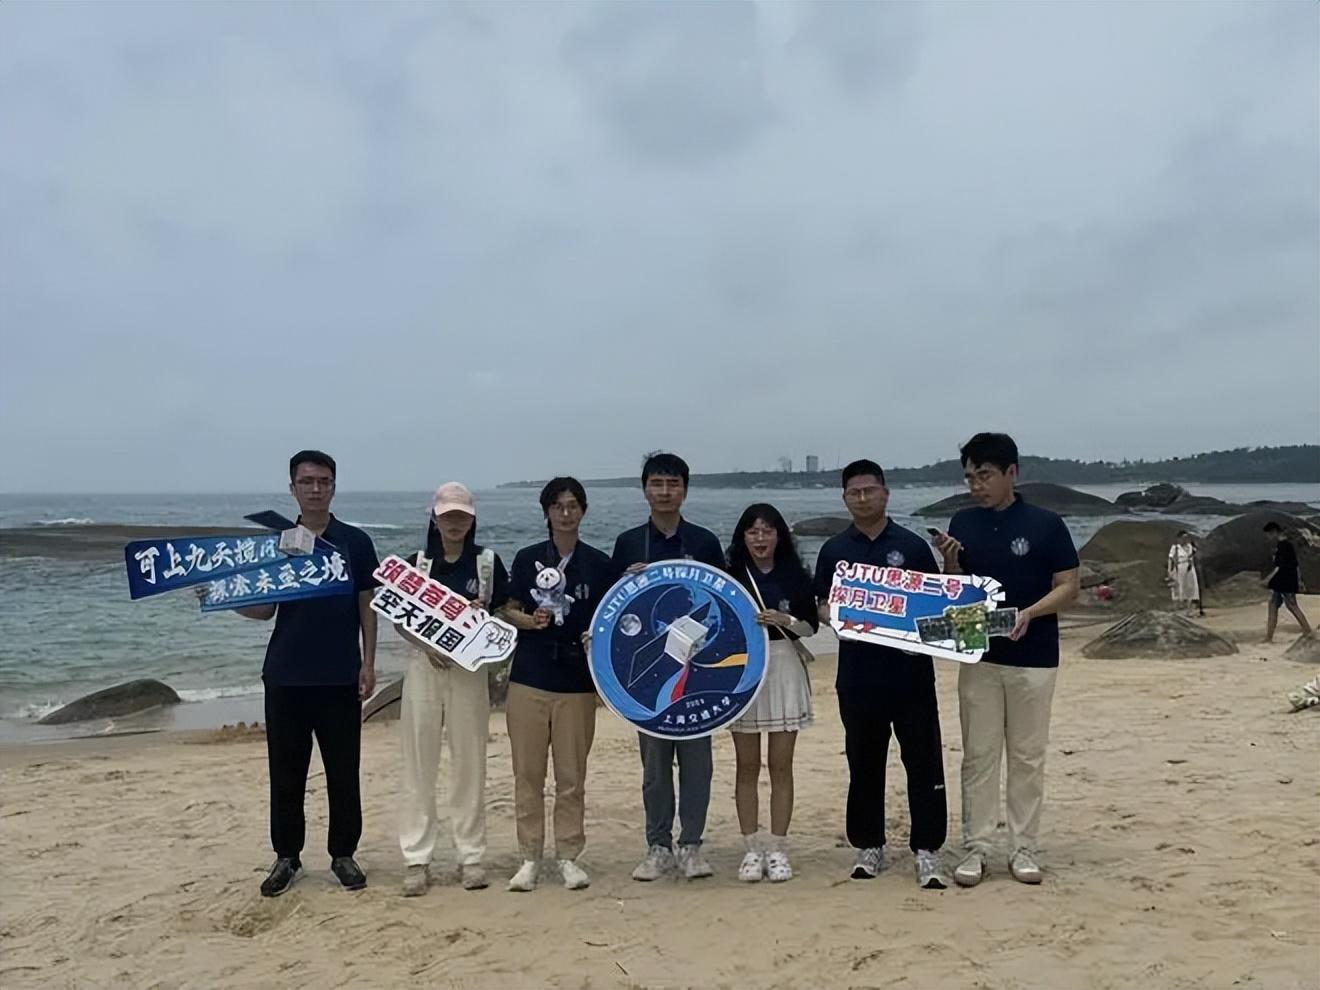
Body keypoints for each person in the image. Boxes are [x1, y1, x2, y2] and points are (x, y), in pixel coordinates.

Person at [209, 449, 380, 898]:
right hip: (286, 676)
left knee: (344, 772)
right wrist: (221, 597)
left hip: (340, 676)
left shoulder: (355, 542)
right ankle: (287, 857)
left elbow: (367, 605)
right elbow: (264, 608)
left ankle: (343, 854)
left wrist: (368, 662)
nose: (316, 489)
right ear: (292, 488)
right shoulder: (280, 542)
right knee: (286, 774)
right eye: (307, 482)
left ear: (334, 487)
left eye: (324, 481)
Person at [931, 433, 1080, 887]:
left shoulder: (1046, 524)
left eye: (985, 475)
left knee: (1027, 755)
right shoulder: (963, 521)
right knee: (979, 754)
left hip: (1035, 657)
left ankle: (1023, 847)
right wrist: (951, 564)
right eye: (970, 477)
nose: (977, 485)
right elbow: (957, 593)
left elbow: (1069, 586)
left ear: (1011, 473)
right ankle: (977, 846)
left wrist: (1030, 613)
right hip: (980, 654)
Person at [813, 459, 950, 890]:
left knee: (923, 762)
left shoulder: (911, 546)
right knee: (864, 762)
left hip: (911, 675)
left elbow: (937, 604)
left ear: (885, 494)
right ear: (844, 498)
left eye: (869, 490)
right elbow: (821, 605)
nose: (862, 498)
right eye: (854, 492)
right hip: (857, 676)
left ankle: (927, 849)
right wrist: (840, 617)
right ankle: (869, 845)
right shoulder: (834, 550)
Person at [611, 451, 725, 882]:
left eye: (672, 484)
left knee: (698, 766)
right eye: (656, 483)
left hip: (699, 674)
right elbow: (613, 617)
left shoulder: (705, 542)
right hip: (650, 676)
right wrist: (629, 581)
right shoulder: (628, 543)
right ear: (644, 489)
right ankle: (658, 846)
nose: (664, 492)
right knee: (655, 769)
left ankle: (691, 845)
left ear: (685, 490)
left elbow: (726, 608)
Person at [500, 477, 618, 892]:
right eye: (557, 506)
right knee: (527, 773)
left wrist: (596, 639)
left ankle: (568, 854)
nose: (565, 514)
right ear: (547, 512)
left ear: (583, 511)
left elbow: (613, 618)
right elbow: (507, 608)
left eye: (572, 506)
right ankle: (529, 856)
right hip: (529, 676)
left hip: (576, 682)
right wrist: (529, 621)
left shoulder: (598, 563)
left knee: (571, 776)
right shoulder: (527, 558)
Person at [397, 483, 509, 896]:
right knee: (419, 763)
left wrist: (482, 621)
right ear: (434, 518)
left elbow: (504, 614)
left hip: (469, 671)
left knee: (470, 763)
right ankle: (417, 857)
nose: (455, 523)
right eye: (447, 516)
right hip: (424, 666)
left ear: (472, 519)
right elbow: (398, 618)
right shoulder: (417, 565)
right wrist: (429, 645)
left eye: (462, 516)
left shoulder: (487, 563)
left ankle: (470, 855)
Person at [726, 503, 818, 883]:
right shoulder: (731, 575)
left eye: (767, 531)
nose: (760, 538)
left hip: (783, 668)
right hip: (744, 669)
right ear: (743, 537)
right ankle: (751, 848)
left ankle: (778, 847)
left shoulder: (795, 575)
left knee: (781, 765)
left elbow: (812, 628)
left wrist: (786, 620)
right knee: (746, 766)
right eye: (753, 531)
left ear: (780, 535)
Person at [1263, 522, 1312, 643]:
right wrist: (1299, 580)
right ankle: (1269, 637)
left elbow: (1279, 566)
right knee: (1273, 605)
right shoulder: (1287, 545)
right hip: (1286, 580)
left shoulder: (1282, 546)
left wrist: (1267, 579)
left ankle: (1308, 632)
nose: (1268, 538)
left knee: (1292, 606)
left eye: (1268, 535)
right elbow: (1296, 564)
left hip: (1284, 581)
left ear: (1274, 532)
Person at [1166, 531, 1203, 617]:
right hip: (1179, 567)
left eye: (1186, 537)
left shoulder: (1190, 546)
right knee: (1179, 588)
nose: (1185, 539)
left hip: (1190, 567)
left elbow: (1195, 553)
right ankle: (1177, 610)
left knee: (1191, 588)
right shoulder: (1175, 547)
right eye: (1183, 537)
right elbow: (1170, 559)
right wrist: (1169, 570)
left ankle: (1189, 611)